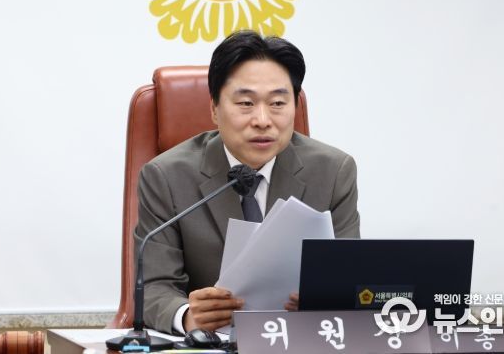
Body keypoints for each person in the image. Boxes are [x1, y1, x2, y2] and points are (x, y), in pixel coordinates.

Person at [135, 30, 360, 334]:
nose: (263, 120)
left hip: (301, 340)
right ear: (214, 109)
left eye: (278, 103)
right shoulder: (166, 176)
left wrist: (328, 302)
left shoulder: (333, 172)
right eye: (245, 103)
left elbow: (348, 281)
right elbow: (153, 288)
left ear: (295, 106)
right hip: (212, 342)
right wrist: (189, 316)